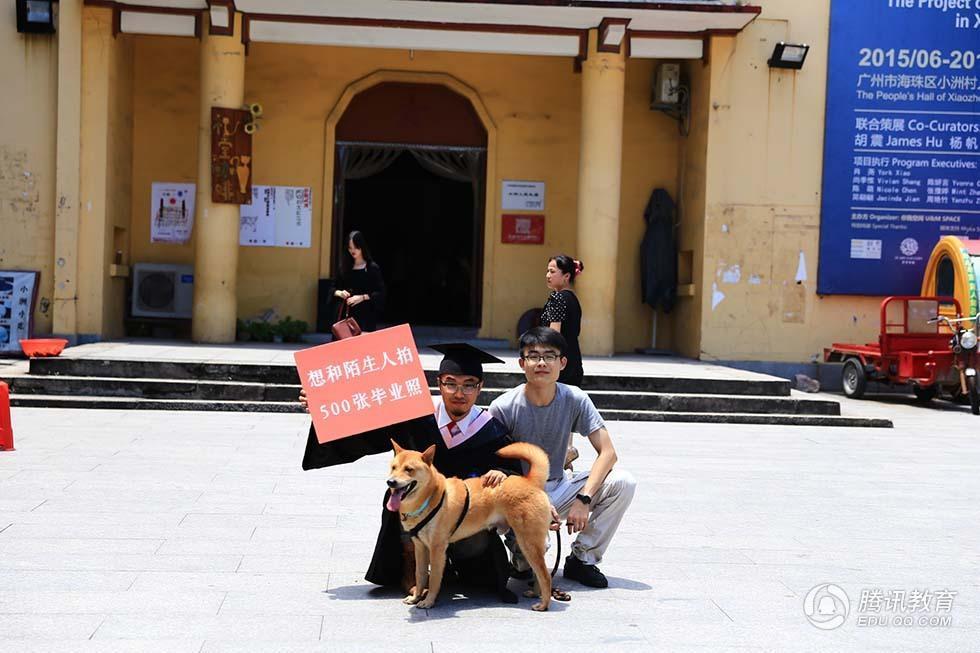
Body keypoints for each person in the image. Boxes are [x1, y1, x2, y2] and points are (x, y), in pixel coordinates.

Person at [300, 343, 522, 603]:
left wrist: (502, 472)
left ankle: (456, 566)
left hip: (463, 518)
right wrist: (326, 411)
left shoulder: (491, 432)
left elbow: (513, 468)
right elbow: (365, 431)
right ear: (439, 383)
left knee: (476, 552)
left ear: (480, 387)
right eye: (450, 383)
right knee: (399, 498)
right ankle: (411, 569)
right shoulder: (416, 416)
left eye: (469, 384)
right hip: (414, 509)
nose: (459, 392)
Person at [489, 327, 635, 589]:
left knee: (623, 482)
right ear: (522, 363)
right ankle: (521, 561)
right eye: (533, 356)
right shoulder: (504, 407)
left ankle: (582, 559)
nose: (542, 363)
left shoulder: (574, 398)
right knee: (533, 553)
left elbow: (608, 453)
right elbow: (495, 464)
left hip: (560, 486)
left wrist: (584, 498)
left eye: (550, 356)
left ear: (562, 363)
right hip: (519, 495)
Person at [541, 255, 584, 387]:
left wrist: (545, 362)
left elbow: (554, 335)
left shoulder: (558, 298)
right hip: (573, 360)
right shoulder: (572, 298)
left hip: (560, 365)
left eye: (552, 272)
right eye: (548, 271)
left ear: (566, 276)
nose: (548, 275)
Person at [334, 230, 385, 332]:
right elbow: (333, 288)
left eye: (356, 248)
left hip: (365, 317)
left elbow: (381, 293)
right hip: (346, 316)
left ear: (362, 247)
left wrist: (362, 297)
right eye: (350, 248)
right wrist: (340, 293)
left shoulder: (372, 268)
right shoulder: (344, 267)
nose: (353, 251)